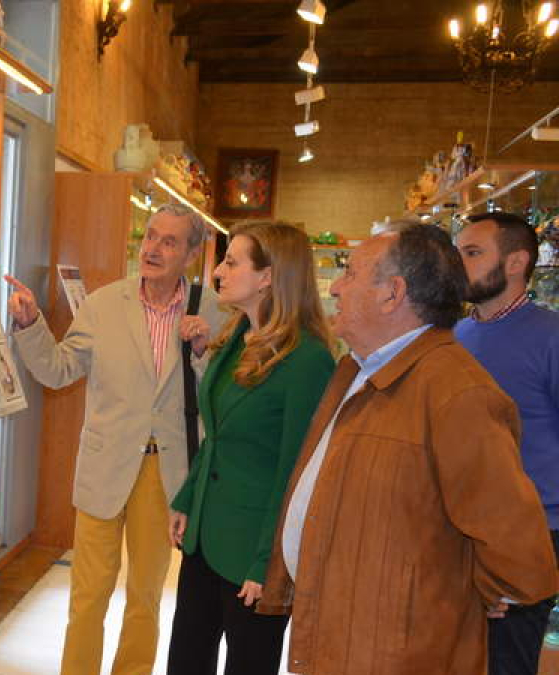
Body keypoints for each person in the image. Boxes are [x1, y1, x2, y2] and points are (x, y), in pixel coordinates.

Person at [258, 223, 559, 675]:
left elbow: (518, 554)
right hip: (342, 636)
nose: (337, 287)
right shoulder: (357, 370)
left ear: (392, 293)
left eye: (352, 273)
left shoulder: (456, 391)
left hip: (397, 652)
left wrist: (473, 589)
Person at [6, 203, 228, 675]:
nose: (153, 248)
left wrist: (205, 349)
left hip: (166, 472)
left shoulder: (213, 310)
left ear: (191, 253)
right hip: (105, 468)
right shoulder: (104, 304)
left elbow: (224, 394)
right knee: (87, 597)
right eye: (150, 236)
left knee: (145, 598)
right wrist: (30, 325)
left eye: (170, 241)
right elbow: (59, 368)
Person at [167, 222, 335, 675]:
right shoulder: (236, 338)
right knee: (186, 660)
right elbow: (216, 437)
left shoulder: (308, 359)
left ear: (268, 276)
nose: (219, 271)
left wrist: (268, 563)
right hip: (205, 539)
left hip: (253, 556)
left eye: (231, 261)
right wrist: (186, 499)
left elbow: (296, 475)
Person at [454, 211, 559, 675]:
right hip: (463, 526)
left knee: (505, 662)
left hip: (531, 529)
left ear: (516, 263)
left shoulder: (551, 336)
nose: (459, 264)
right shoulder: (455, 334)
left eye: (473, 253)